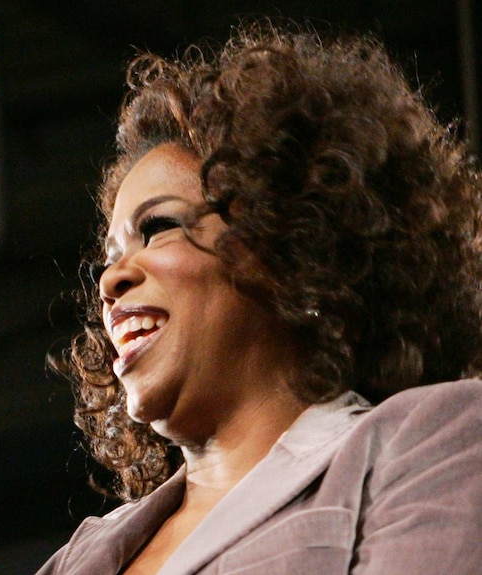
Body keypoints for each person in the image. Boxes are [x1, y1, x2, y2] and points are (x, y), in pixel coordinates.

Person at [39, 23, 482, 575]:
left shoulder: (425, 445)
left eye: (157, 228)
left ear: (289, 245)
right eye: (108, 256)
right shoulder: (75, 559)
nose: (111, 281)